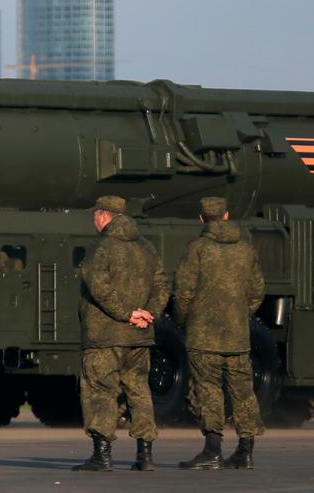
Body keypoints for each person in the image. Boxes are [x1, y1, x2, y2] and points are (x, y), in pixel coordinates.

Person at [73, 195, 170, 472]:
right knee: (139, 391)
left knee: (100, 391)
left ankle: (102, 455)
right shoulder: (147, 248)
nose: (94, 220)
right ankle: (145, 455)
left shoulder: (101, 247)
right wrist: (148, 313)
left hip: (104, 336)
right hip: (138, 336)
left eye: (95, 215)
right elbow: (163, 284)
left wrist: (127, 313)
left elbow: (99, 287)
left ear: (104, 216)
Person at [174, 197, 265, 470]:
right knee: (243, 392)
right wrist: (240, 315)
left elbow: (183, 292)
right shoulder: (246, 250)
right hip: (237, 335)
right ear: (225, 216)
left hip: (203, 336)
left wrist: (185, 321)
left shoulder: (197, 249)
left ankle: (212, 450)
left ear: (202, 219)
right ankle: (245, 451)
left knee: (209, 391)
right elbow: (258, 291)